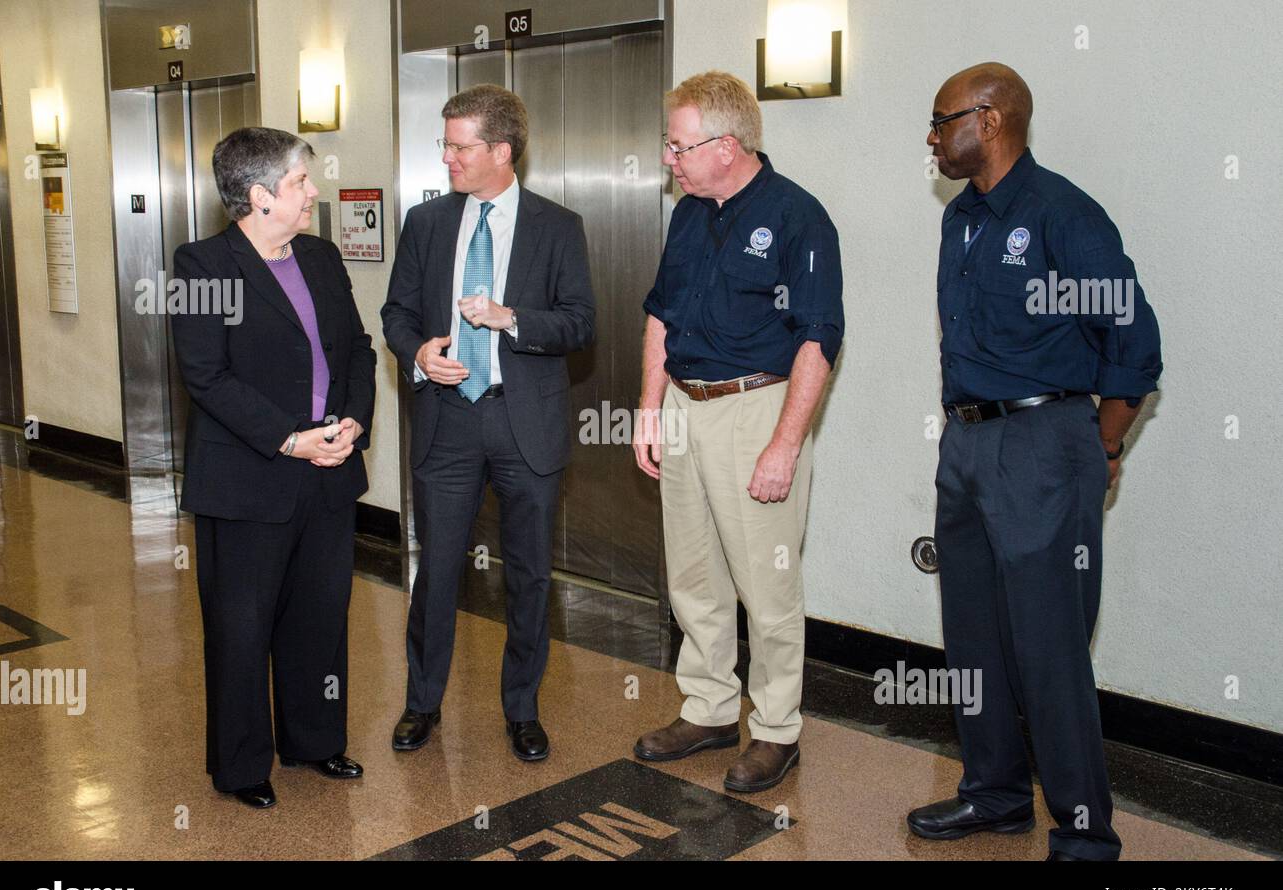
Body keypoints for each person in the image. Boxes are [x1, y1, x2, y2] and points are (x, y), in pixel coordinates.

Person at [907, 63, 1163, 860]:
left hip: (1044, 441)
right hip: (967, 442)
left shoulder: (1062, 215)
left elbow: (1134, 349)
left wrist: (1103, 443)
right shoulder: (963, 221)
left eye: (942, 119)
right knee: (973, 635)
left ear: (989, 119)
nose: (932, 136)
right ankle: (995, 794)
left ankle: (1085, 835)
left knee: (1051, 648)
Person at [632, 71, 843, 793]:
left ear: (726, 146)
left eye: (679, 144)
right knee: (694, 575)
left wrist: (784, 444)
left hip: (759, 409)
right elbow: (660, 311)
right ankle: (711, 706)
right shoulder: (689, 214)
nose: (669, 158)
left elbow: (819, 337)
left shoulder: (797, 218)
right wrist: (649, 404)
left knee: (767, 583)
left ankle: (777, 729)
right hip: (687, 406)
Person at [381, 84, 595, 762]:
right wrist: (418, 352)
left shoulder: (558, 227)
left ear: (501, 151)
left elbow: (580, 322)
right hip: (447, 422)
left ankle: (523, 709)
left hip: (522, 424)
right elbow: (396, 314)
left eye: (459, 146)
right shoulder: (428, 223)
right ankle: (422, 702)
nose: (447, 158)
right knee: (437, 568)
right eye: (445, 145)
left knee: (528, 574)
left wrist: (511, 319)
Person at [171, 126, 376, 809]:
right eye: (300, 183)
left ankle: (315, 739)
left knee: (321, 614)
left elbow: (358, 350)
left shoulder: (318, 255)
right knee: (241, 626)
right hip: (248, 478)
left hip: (330, 470)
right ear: (260, 196)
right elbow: (206, 376)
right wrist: (291, 439)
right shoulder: (200, 266)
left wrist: (353, 420)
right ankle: (241, 763)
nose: (313, 191)